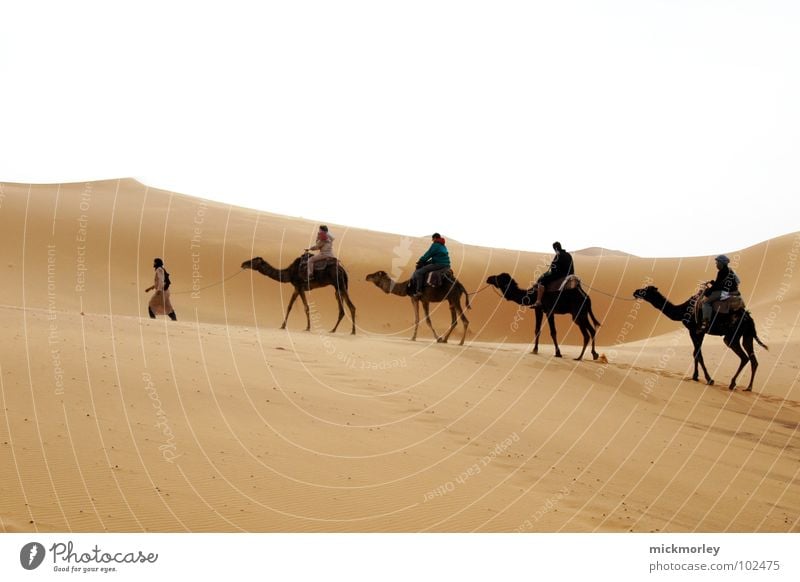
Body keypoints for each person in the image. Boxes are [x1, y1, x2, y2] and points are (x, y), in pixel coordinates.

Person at [698, 254, 740, 332]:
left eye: (717, 262)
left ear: (721, 263)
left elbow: (717, 286)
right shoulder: (730, 270)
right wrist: (712, 282)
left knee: (705, 302)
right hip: (732, 291)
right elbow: (723, 283)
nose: (716, 264)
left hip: (725, 293)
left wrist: (707, 292)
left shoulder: (722, 272)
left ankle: (706, 322)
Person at [533, 241, 574, 307]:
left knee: (542, 281)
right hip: (570, 274)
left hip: (561, 275)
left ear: (555, 248)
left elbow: (554, 269)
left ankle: (538, 301)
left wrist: (551, 268)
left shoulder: (558, 255)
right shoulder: (568, 254)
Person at [411, 233, 450, 297]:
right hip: (446, 264)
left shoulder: (435, 245)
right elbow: (438, 257)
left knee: (419, 272)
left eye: (432, 239)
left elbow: (428, 254)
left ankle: (419, 291)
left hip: (439, 264)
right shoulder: (443, 246)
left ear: (435, 238)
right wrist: (427, 262)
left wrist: (421, 261)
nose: (432, 240)